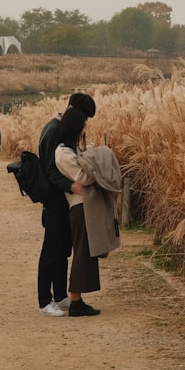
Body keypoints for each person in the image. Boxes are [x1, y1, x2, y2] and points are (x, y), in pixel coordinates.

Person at [54, 107, 121, 317]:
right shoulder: (63, 152)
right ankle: (75, 302)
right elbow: (84, 177)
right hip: (81, 207)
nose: (85, 129)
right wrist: (97, 164)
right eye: (83, 125)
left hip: (88, 206)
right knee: (82, 252)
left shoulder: (75, 150)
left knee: (87, 253)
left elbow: (89, 170)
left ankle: (78, 300)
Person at [36, 93, 96, 317]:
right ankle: (44, 300)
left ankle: (60, 295)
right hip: (54, 199)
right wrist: (71, 186)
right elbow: (50, 168)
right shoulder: (53, 130)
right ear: (72, 110)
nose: (86, 123)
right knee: (51, 249)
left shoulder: (63, 128)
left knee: (62, 250)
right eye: (84, 118)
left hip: (62, 200)